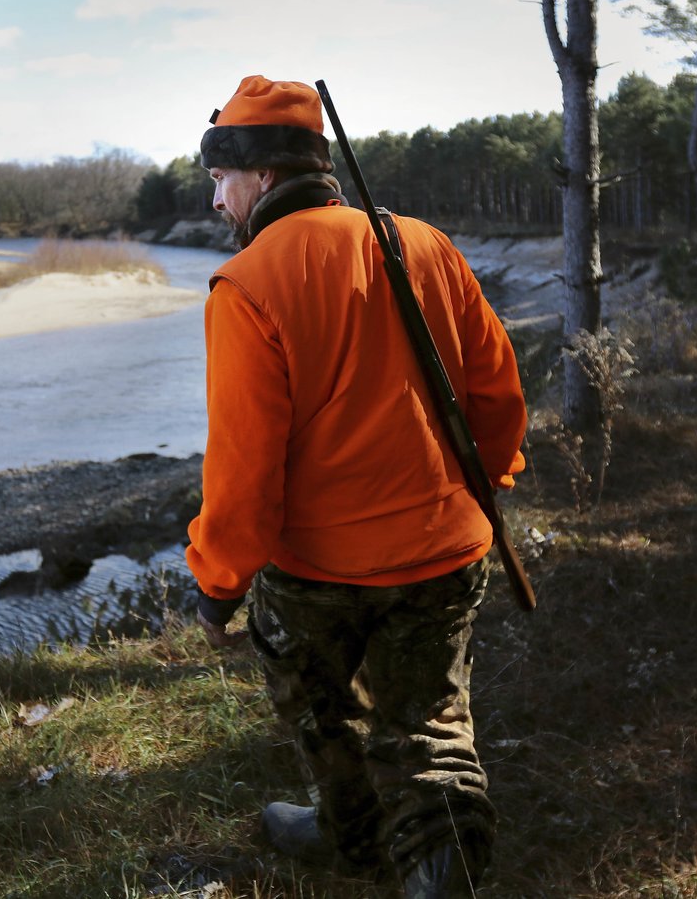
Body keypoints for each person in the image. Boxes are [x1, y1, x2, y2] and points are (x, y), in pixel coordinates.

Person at [184, 75, 527, 899]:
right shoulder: (425, 243)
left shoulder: (248, 284)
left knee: (322, 710)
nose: (217, 200)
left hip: (320, 573)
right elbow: (497, 394)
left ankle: (370, 843)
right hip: (447, 548)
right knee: (432, 727)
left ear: (262, 175)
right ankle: (388, 848)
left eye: (221, 180)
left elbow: (242, 467)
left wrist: (218, 582)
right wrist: (487, 481)